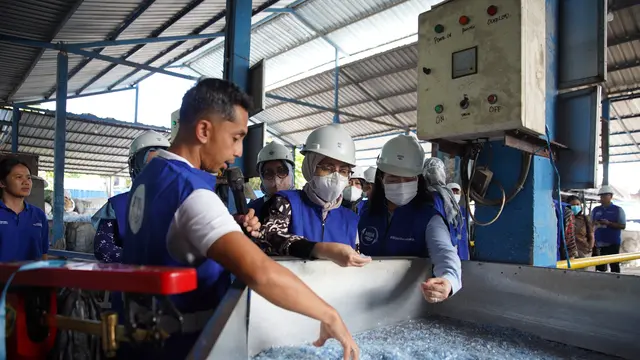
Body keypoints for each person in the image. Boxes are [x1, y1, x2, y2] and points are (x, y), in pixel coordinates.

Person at [122, 79, 358, 360]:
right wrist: (329, 315)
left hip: (140, 338)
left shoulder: (152, 175)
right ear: (203, 130)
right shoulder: (191, 192)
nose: (238, 152)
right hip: (183, 345)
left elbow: (167, 239)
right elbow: (261, 272)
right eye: (236, 137)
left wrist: (229, 225)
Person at [358, 135, 462, 303]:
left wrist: (449, 279)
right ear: (381, 179)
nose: (401, 184)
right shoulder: (365, 213)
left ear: (418, 180)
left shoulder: (429, 218)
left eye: (408, 180)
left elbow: (444, 252)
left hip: (408, 303)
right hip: (363, 297)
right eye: (393, 178)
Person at [256, 124, 371, 267]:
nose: (335, 176)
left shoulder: (350, 219)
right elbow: (270, 236)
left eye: (342, 170)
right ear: (309, 168)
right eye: (326, 168)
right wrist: (321, 249)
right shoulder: (286, 202)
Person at [91, 130, 171, 263]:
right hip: (129, 278)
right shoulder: (118, 205)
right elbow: (103, 248)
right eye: (150, 164)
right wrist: (141, 259)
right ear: (135, 166)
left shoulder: (178, 200)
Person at [0, 158, 48, 262]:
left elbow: (44, 253)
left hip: (32, 277)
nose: (26, 182)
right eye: (19, 177)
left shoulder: (38, 215)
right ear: (2, 183)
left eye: (28, 178)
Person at [423, 158, 464, 258]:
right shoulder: (445, 196)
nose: (435, 175)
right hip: (443, 245)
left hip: (440, 246)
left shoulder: (435, 196)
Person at [248, 141, 295, 220]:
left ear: (291, 173)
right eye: (268, 173)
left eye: (282, 171)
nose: (276, 182)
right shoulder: (252, 210)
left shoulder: (304, 206)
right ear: (261, 177)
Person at [592, 185, 626, 273]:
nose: (602, 198)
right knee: (600, 267)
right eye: (601, 196)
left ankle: (616, 284)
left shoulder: (618, 210)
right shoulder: (596, 209)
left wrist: (609, 223)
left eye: (604, 196)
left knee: (614, 266)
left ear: (611, 196)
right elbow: (590, 223)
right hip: (598, 243)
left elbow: (623, 226)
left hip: (613, 243)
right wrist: (595, 223)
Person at [446, 182, 469, 260]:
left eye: (457, 192)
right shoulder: (442, 211)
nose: (455, 194)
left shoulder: (465, 212)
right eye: (452, 191)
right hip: (447, 248)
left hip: (462, 249)